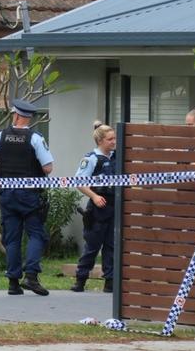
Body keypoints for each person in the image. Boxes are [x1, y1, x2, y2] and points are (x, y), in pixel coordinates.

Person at [0, 99, 53, 296]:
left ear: (15, 115)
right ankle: (31, 276)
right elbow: (48, 168)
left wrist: (0, 175)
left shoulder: (0, 136)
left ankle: (13, 283)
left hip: (7, 193)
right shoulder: (35, 138)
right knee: (36, 234)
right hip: (29, 194)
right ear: (28, 118)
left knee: (12, 238)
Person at [70, 121, 116, 293]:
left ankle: (109, 281)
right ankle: (80, 279)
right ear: (101, 141)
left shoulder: (116, 157)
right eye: (110, 139)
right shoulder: (91, 159)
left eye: (114, 138)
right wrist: (95, 196)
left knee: (111, 246)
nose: (113, 141)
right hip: (98, 208)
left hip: (114, 208)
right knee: (92, 245)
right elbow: (79, 182)